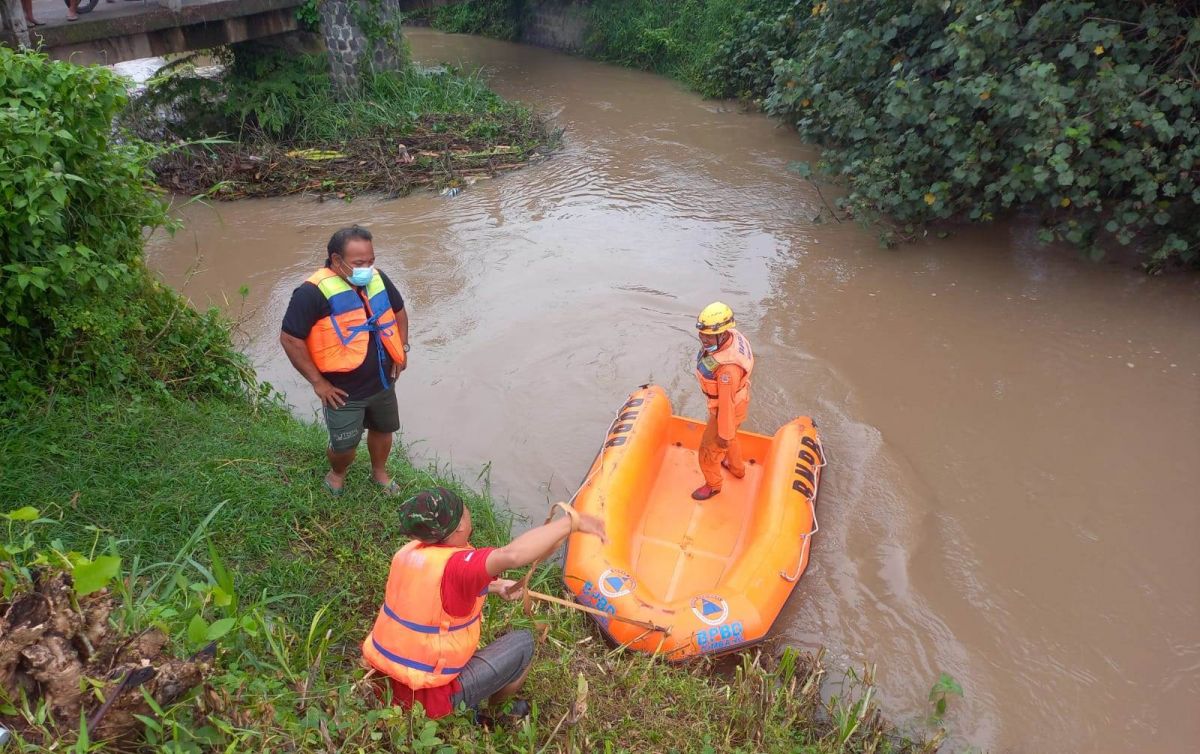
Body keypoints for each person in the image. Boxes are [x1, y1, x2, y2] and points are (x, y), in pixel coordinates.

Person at [362, 487, 606, 723]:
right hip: (429, 699)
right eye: (465, 510)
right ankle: (494, 714)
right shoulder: (460, 567)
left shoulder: (410, 554)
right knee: (524, 643)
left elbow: (436, 591)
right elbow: (511, 556)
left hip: (385, 682)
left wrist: (495, 586)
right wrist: (570, 522)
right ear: (459, 526)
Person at [280, 226, 409, 496]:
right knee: (344, 446)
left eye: (371, 261)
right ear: (337, 260)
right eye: (359, 263)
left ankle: (379, 473)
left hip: (383, 381)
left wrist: (403, 349)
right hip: (342, 391)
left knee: (384, 430)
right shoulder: (310, 293)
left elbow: (398, 312)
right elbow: (291, 339)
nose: (367, 268)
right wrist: (318, 383)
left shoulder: (378, 278)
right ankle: (337, 473)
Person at [691, 301, 755, 501]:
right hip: (739, 401)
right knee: (732, 437)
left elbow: (726, 405)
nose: (704, 339)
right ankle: (737, 469)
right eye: (702, 335)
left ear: (722, 333)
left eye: (709, 336)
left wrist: (722, 435)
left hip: (727, 407)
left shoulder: (727, 371)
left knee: (708, 451)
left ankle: (713, 485)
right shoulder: (733, 337)